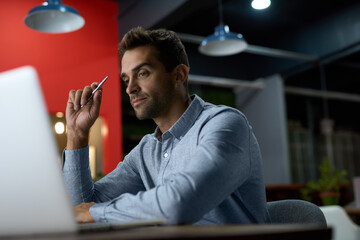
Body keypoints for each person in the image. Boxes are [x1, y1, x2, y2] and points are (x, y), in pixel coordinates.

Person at [62, 26, 271, 225]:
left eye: (142, 73)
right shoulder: (146, 151)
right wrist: (77, 133)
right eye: (126, 80)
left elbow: (180, 203)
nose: (130, 88)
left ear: (179, 75)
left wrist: (96, 213)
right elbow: (79, 208)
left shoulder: (224, 124)